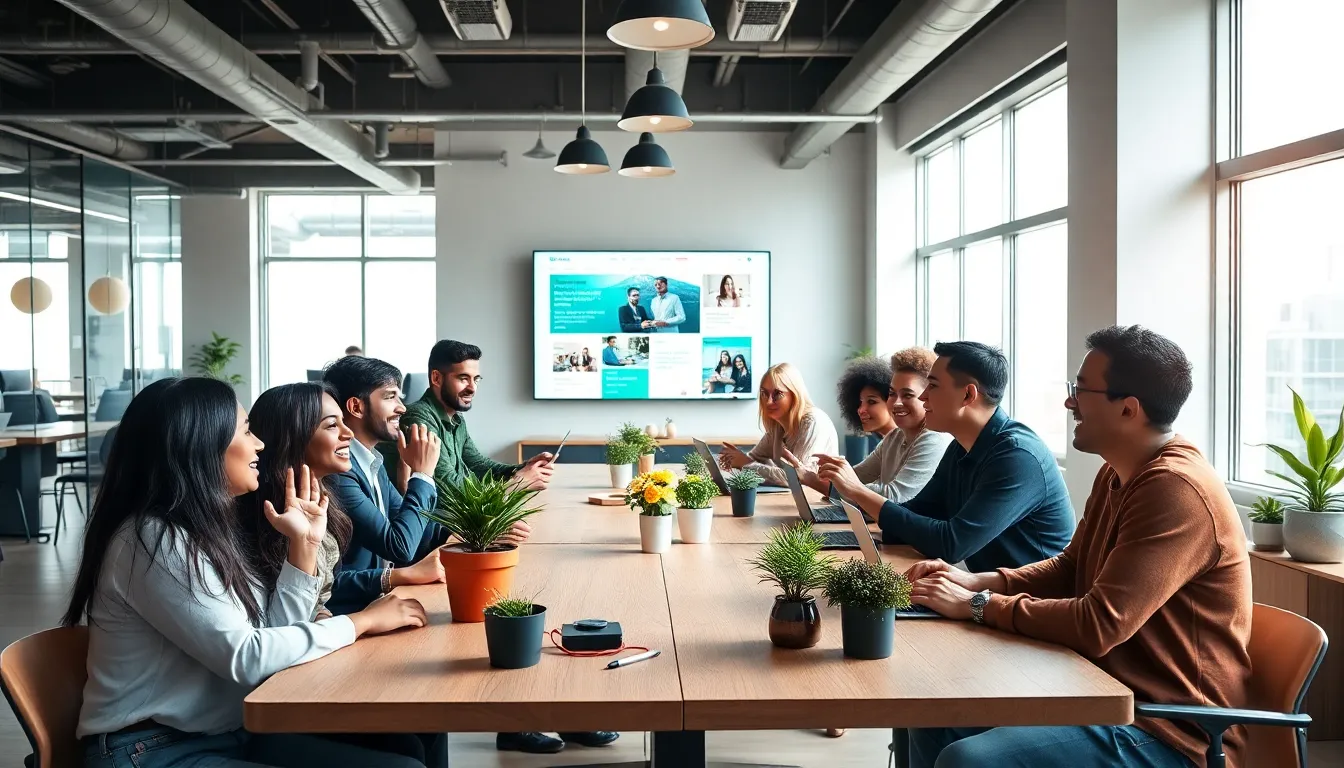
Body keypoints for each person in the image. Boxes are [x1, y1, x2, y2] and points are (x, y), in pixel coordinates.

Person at [904, 326, 1250, 768]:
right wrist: (978, 579)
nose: (1070, 402)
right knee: (931, 709)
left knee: (970, 760)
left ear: (1128, 409)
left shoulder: (1175, 489)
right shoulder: (1117, 472)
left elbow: (1098, 624)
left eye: (1081, 390)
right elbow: (1071, 568)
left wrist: (978, 604)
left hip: (1171, 731)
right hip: (1099, 691)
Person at [65, 377, 427, 768]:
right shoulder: (154, 538)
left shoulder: (210, 528)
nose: (259, 444)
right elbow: (247, 658)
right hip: (152, 748)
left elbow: (271, 640)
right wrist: (362, 622)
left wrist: (302, 548)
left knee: (405, 752)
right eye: (246, 431)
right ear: (201, 446)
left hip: (227, 732)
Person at [380, 341, 615, 755]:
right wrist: (514, 486)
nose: (472, 386)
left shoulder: (452, 419)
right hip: (435, 544)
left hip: (457, 536)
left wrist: (521, 470)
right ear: (437, 378)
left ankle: (560, 712)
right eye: (462, 378)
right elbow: (447, 492)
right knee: (517, 611)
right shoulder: (421, 418)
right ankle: (516, 722)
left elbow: (477, 465)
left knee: (546, 594)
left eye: (476, 378)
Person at [820, 341, 1072, 573]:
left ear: (967, 395)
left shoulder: (1017, 456)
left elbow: (952, 544)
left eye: (933, 386)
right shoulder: (961, 447)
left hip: (1028, 606)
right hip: (982, 595)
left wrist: (856, 491)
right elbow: (916, 511)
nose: (923, 396)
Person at [796, 348, 951, 504]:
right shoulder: (894, 437)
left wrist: (841, 480)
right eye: (892, 394)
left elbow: (895, 498)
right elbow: (857, 478)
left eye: (908, 395)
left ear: (927, 397)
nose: (896, 402)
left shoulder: (934, 439)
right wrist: (823, 474)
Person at [718, 362, 838, 486]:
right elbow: (754, 459)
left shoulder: (813, 421)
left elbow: (798, 477)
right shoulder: (777, 426)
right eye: (764, 393)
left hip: (819, 501)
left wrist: (745, 463)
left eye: (778, 394)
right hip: (797, 500)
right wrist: (735, 458)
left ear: (795, 394)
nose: (769, 402)